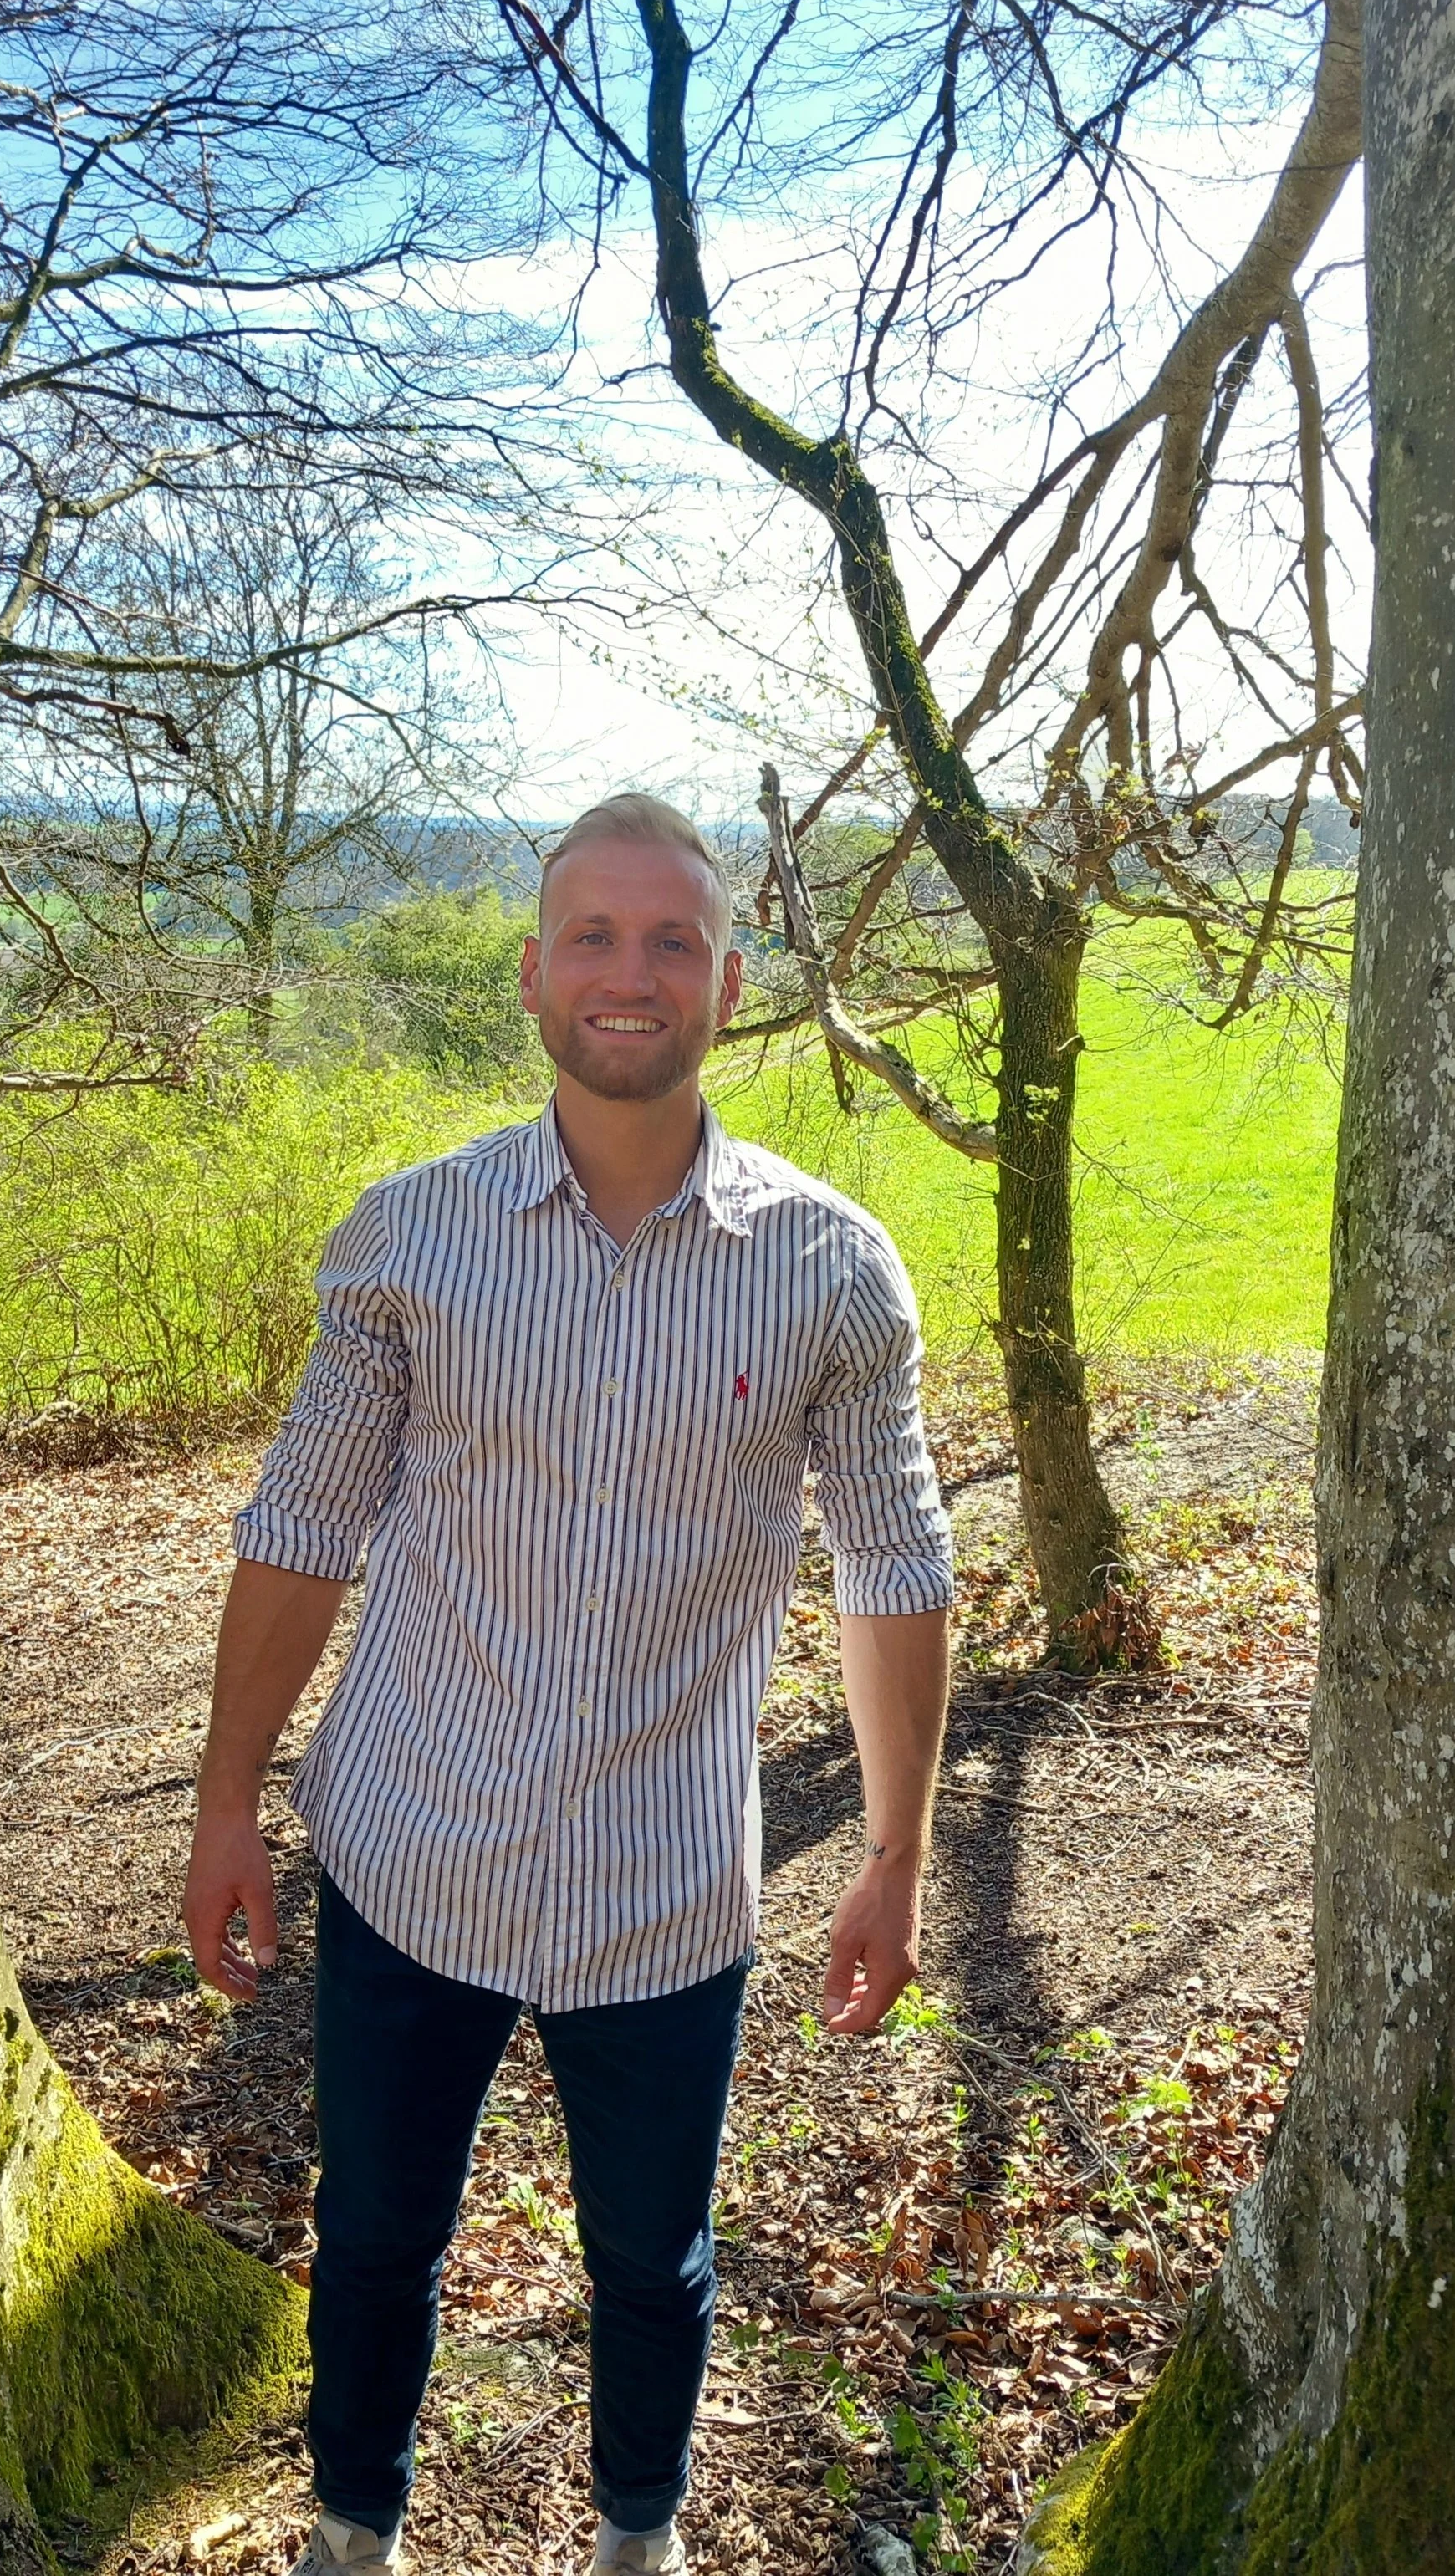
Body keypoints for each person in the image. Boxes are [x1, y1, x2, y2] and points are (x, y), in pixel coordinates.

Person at [184, 793, 954, 2574]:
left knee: (649, 2257)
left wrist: (895, 1848)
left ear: (729, 981)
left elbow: (895, 1561)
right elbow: (303, 1520)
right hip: (410, 1841)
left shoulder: (830, 1269)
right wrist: (229, 1795)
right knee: (374, 2228)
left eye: (670, 937)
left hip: (664, 1881)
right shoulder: (409, 1237)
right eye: (592, 938)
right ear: (532, 975)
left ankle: (636, 2536)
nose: (630, 972)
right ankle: (353, 2525)